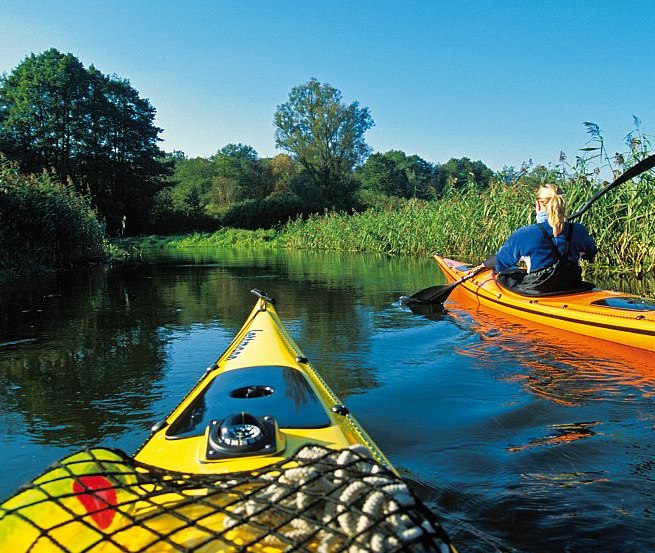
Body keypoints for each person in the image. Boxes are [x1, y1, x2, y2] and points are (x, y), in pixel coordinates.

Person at [484, 184, 597, 294]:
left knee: (505, 275)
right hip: (572, 285)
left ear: (538, 205)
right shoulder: (579, 230)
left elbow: (501, 262)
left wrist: (485, 264)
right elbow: (590, 254)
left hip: (538, 288)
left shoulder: (525, 233)